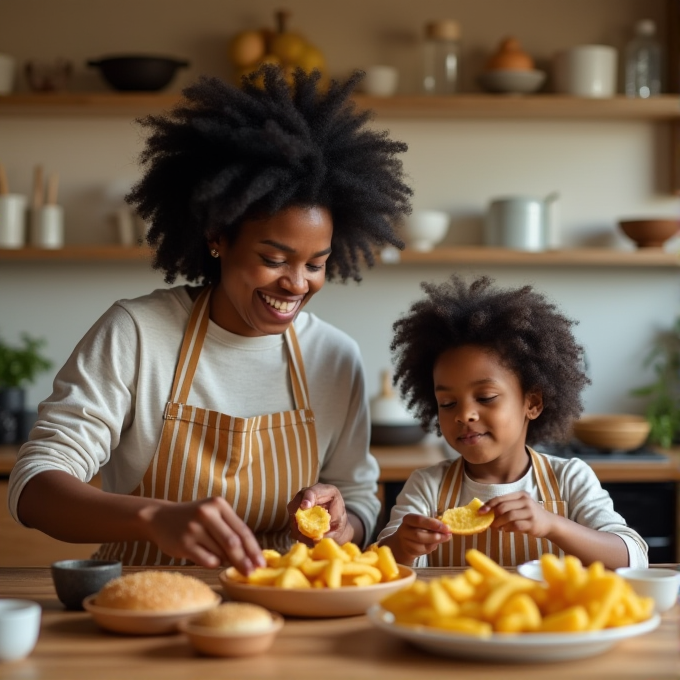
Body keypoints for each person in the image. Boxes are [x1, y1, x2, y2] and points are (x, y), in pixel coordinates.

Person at [8, 66, 412, 572]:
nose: (296, 283)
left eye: (315, 264)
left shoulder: (334, 355)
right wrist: (154, 518)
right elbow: (35, 485)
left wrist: (342, 521)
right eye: (274, 258)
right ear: (218, 237)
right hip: (146, 598)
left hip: (283, 605)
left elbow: (359, 496)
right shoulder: (138, 333)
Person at [377, 275, 648, 569]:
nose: (464, 414)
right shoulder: (427, 487)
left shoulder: (569, 480)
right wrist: (403, 546)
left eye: (486, 397)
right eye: (448, 403)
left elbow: (634, 559)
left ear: (531, 403)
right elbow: (381, 563)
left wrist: (552, 525)